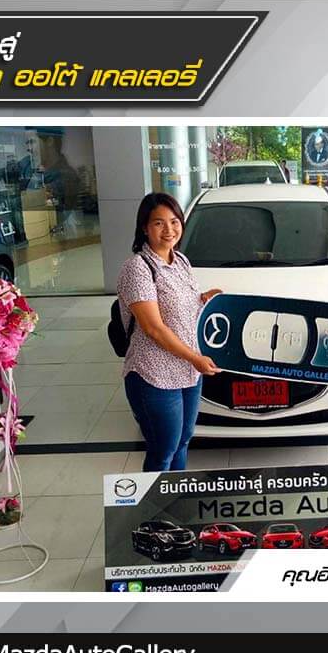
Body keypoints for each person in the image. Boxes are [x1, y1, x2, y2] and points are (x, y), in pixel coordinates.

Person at [116, 193, 222, 471]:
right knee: (163, 449)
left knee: (183, 441)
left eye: (174, 222)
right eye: (158, 223)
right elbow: (153, 328)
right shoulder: (137, 268)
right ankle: (155, 499)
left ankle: (177, 495)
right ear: (144, 228)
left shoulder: (181, 261)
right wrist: (195, 358)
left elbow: (180, 306)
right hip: (154, 374)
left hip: (188, 370)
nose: (169, 230)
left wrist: (204, 300)